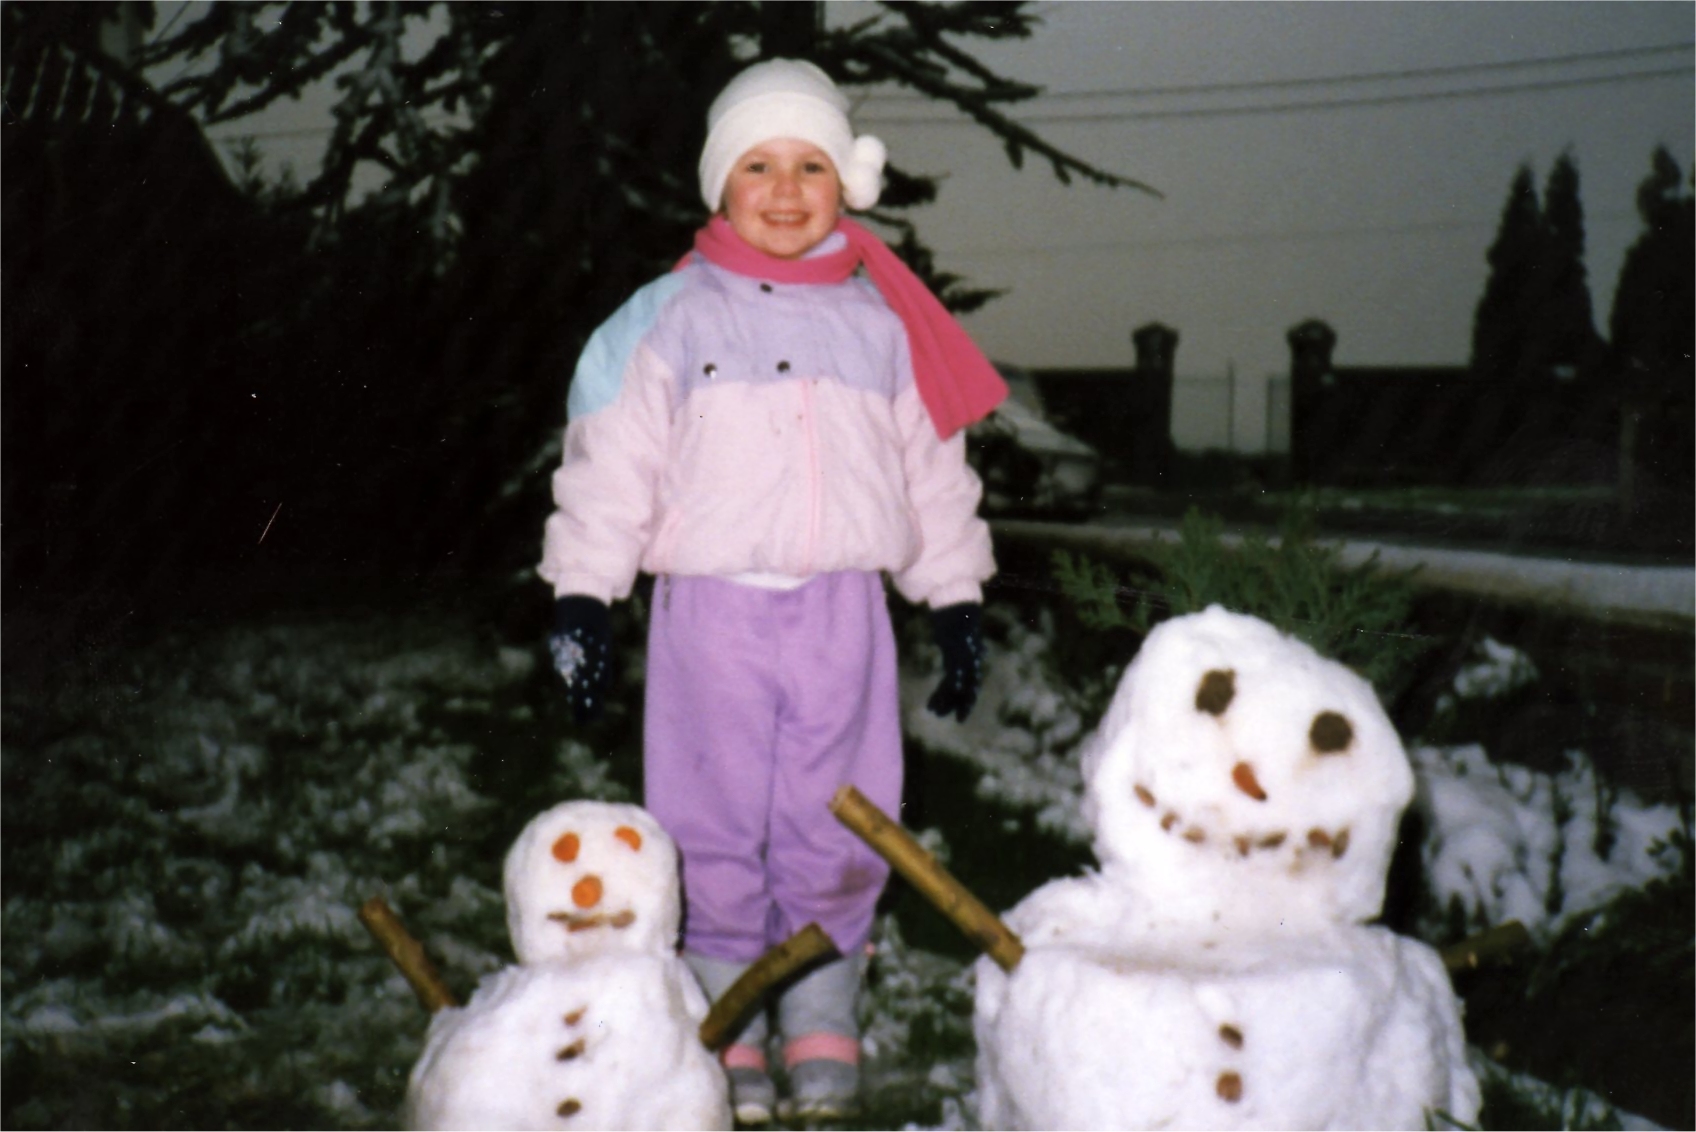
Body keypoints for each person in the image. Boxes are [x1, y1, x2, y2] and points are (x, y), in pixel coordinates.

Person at [538, 57, 1005, 1124]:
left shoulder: (884, 326)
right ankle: (732, 1017)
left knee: (838, 816)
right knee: (710, 818)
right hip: (712, 618)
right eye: (758, 165)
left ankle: (821, 1010)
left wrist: (956, 600)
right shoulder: (665, 320)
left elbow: (933, 476)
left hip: (844, 612)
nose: (785, 190)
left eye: (811, 166)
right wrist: (582, 597)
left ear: (847, 182)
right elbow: (608, 467)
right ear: (719, 182)